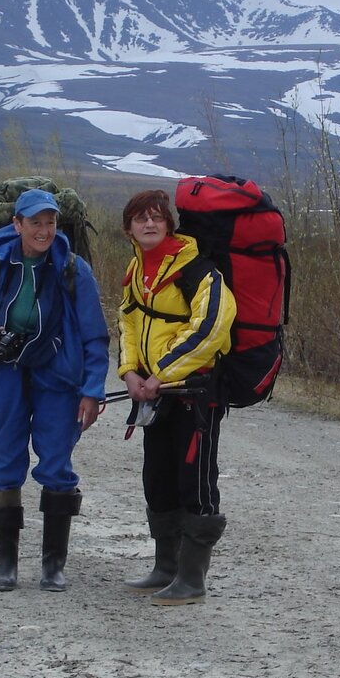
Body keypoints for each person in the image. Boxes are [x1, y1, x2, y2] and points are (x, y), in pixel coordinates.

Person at [0, 188, 109, 593]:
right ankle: (6, 564)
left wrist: (93, 390)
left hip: (58, 377)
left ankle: (52, 566)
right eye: (35, 222)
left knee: (57, 464)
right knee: (4, 458)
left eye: (50, 222)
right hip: (8, 372)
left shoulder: (74, 270)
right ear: (17, 224)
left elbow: (96, 337)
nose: (44, 230)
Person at [116, 189, 236, 606]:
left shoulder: (200, 271)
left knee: (196, 483)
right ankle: (165, 568)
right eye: (140, 218)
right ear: (128, 227)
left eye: (157, 217)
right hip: (153, 394)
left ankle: (192, 580)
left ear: (170, 224)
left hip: (194, 394)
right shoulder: (136, 271)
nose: (149, 224)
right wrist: (130, 371)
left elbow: (211, 330)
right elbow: (128, 323)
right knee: (158, 478)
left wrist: (161, 375)